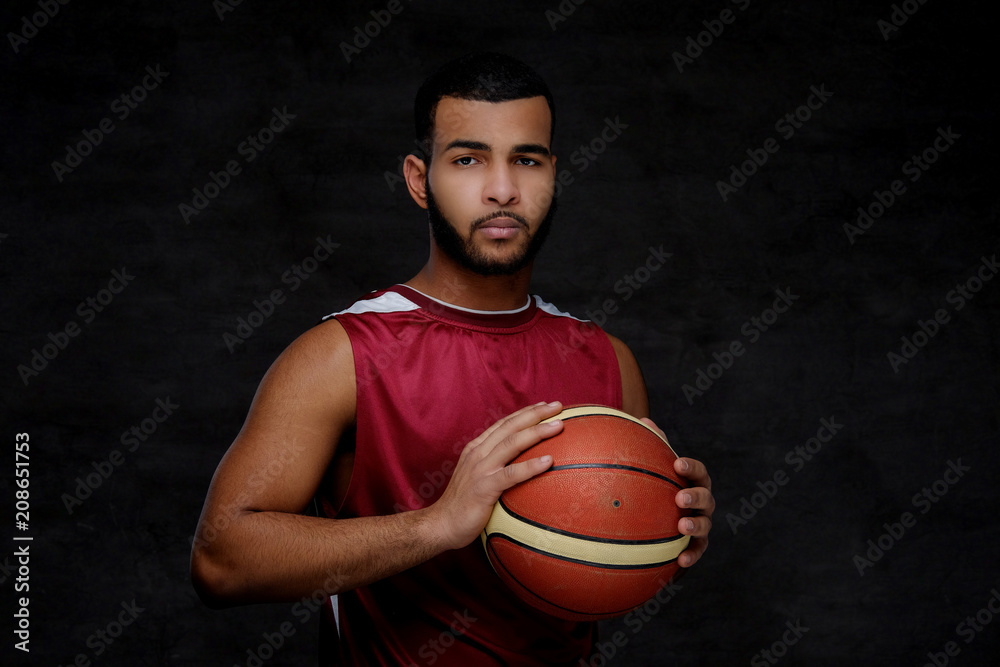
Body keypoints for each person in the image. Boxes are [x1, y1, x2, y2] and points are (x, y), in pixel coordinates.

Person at [191, 52, 714, 665]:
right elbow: (219, 562)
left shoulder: (606, 360)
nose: (502, 188)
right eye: (468, 159)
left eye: (527, 159)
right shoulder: (339, 355)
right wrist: (436, 525)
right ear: (419, 179)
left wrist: (663, 534)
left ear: (553, 174)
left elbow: (589, 562)